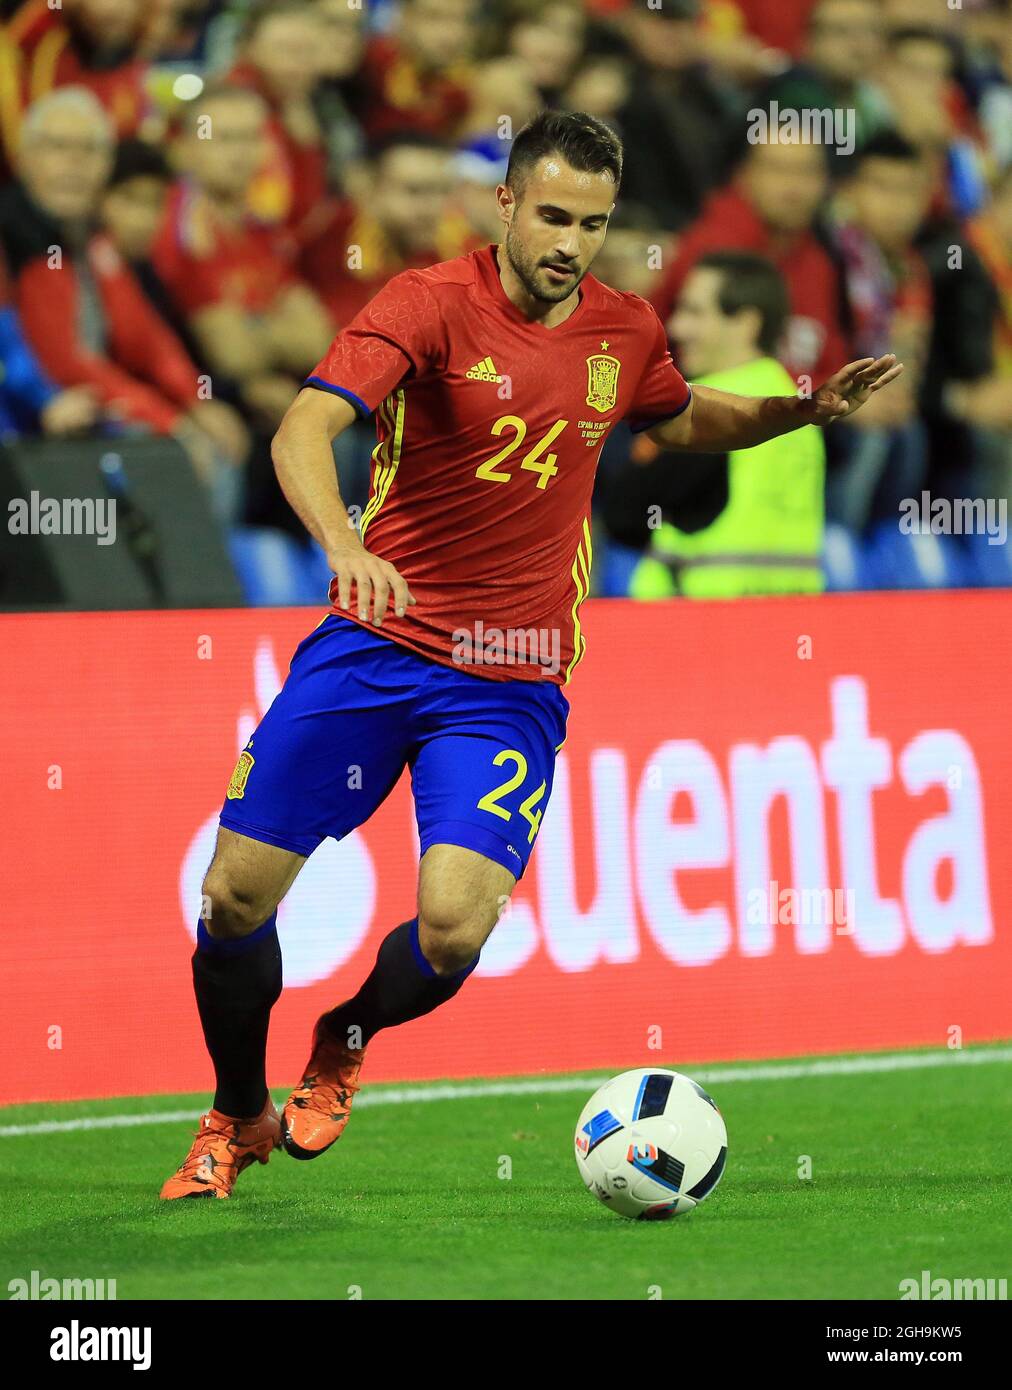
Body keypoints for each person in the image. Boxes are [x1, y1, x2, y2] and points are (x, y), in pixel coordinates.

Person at [159, 110, 903, 1200]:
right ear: (504, 203)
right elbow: (301, 430)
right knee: (232, 898)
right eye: (551, 214)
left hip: (509, 677)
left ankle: (348, 1032)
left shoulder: (623, 329)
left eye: (591, 223)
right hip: (375, 641)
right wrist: (345, 544)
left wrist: (799, 409)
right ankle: (233, 1111)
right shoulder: (424, 303)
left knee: (455, 930)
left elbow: (685, 417)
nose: (570, 241)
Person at [625, 252, 826, 598]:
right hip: (791, 609)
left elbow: (624, 514)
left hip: (705, 614)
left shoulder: (708, 409)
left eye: (694, 312)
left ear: (746, 323)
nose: (676, 327)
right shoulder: (792, 403)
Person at [650, 139, 850, 385]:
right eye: (778, 169)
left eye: (808, 171)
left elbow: (831, 358)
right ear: (743, 176)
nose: (795, 187)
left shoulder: (817, 261)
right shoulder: (711, 249)